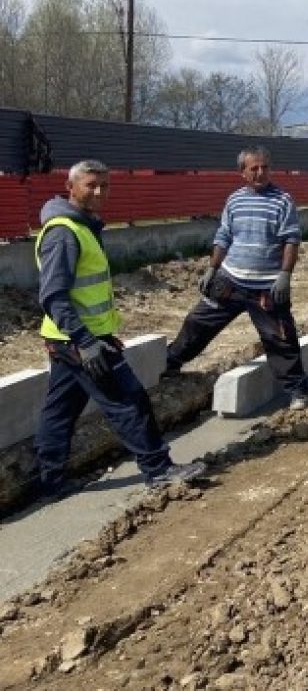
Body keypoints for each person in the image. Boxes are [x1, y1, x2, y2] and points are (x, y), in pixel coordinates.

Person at [35, 160, 206, 499]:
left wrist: (102, 334)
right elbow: (53, 295)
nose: (99, 191)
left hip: (72, 338)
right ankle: (159, 470)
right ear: (71, 187)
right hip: (78, 340)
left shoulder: (82, 226)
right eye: (91, 185)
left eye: (105, 185)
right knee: (129, 400)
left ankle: (50, 483)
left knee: (61, 410)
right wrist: (86, 342)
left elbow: (86, 292)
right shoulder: (64, 233)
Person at [164, 146, 308, 410]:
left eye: (265, 167)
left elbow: (291, 239)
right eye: (253, 168)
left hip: (267, 286)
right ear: (242, 172)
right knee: (198, 323)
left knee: (280, 338)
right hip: (230, 281)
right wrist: (212, 268)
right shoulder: (234, 201)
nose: (260, 172)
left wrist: (285, 275)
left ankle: (297, 390)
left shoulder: (282, 201)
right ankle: (170, 362)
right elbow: (224, 236)